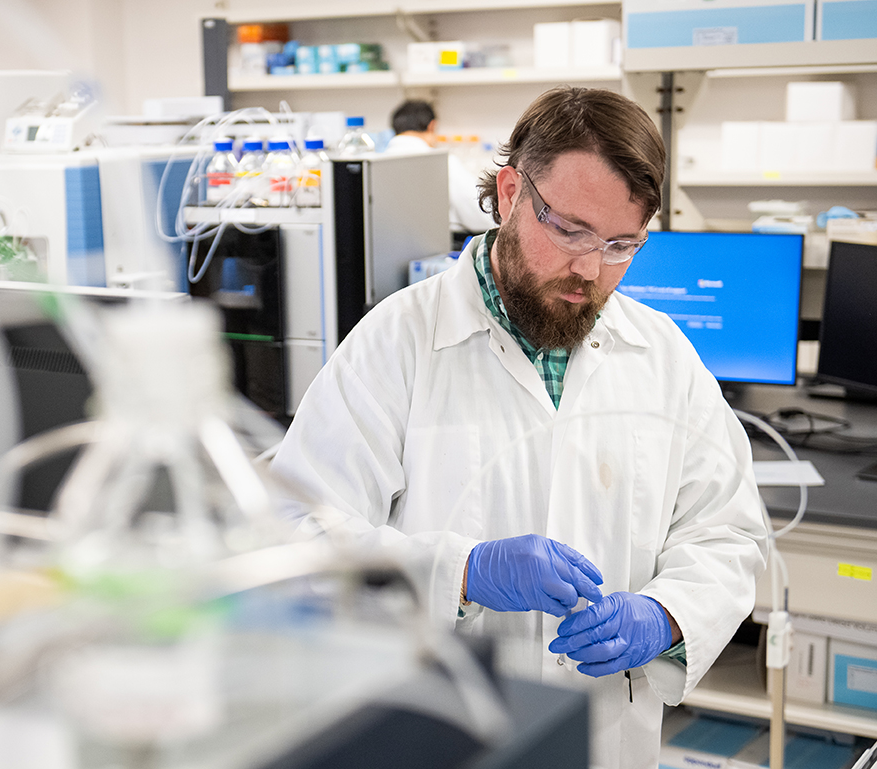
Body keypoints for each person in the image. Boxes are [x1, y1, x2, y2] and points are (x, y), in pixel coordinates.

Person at [270, 86, 768, 769]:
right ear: (509, 192)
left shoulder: (664, 355)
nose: (590, 270)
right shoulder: (398, 342)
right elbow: (293, 539)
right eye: (569, 230)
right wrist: (462, 572)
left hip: (605, 742)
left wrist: (668, 615)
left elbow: (729, 532)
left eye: (622, 245)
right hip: (440, 737)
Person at [384, 99, 495, 236]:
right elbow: (481, 214)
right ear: (432, 126)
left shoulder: (375, 164)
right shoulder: (441, 163)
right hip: (433, 249)